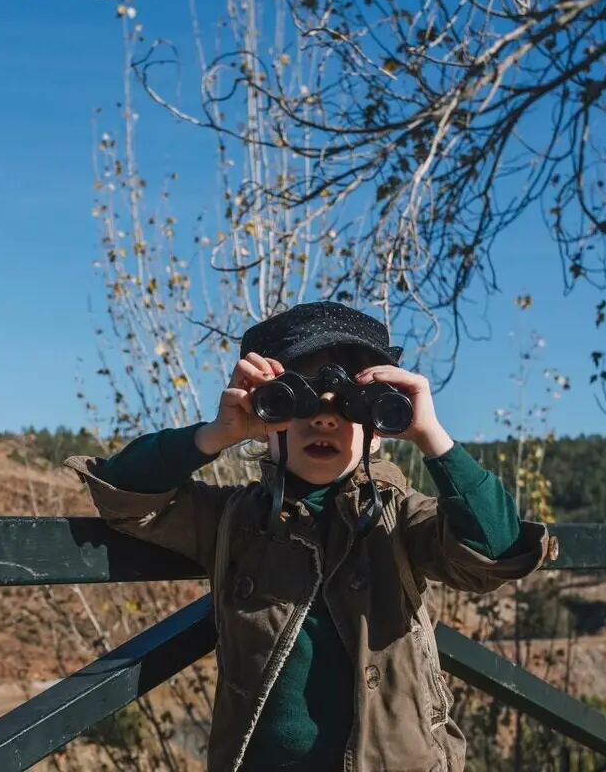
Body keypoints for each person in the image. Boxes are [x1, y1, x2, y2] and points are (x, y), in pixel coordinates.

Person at [64, 301, 555, 772]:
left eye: (348, 407)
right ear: (265, 416)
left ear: (378, 428)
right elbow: (121, 490)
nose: (325, 417)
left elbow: (497, 550)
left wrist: (430, 434)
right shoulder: (229, 519)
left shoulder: (400, 519)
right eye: (297, 401)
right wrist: (217, 433)